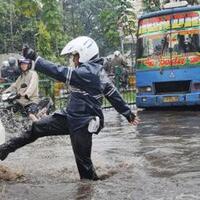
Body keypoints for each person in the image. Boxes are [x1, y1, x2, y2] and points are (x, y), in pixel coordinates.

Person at [0, 36, 139, 180]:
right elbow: (113, 95)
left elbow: (58, 71)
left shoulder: (89, 72)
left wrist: (35, 57)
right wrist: (128, 114)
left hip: (83, 123)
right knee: (36, 128)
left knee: (84, 166)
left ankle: (90, 190)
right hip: (69, 116)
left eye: (75, 56)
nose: (73, 60)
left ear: (85, 54)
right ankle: (4, 150)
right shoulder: (97, 71)